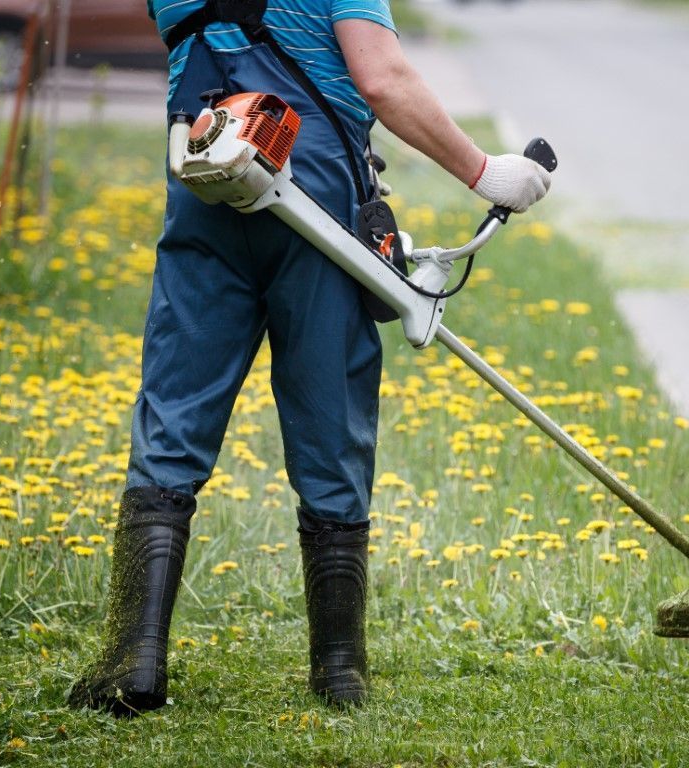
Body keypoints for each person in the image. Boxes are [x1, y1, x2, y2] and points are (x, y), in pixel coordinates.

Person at [67, 0, 551, 716]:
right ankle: (339, 671)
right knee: (330, 409)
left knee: (176, 403)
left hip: (207, 164)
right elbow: (380, 77)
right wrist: (485, 173)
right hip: (311, 178)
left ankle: (131, 665)